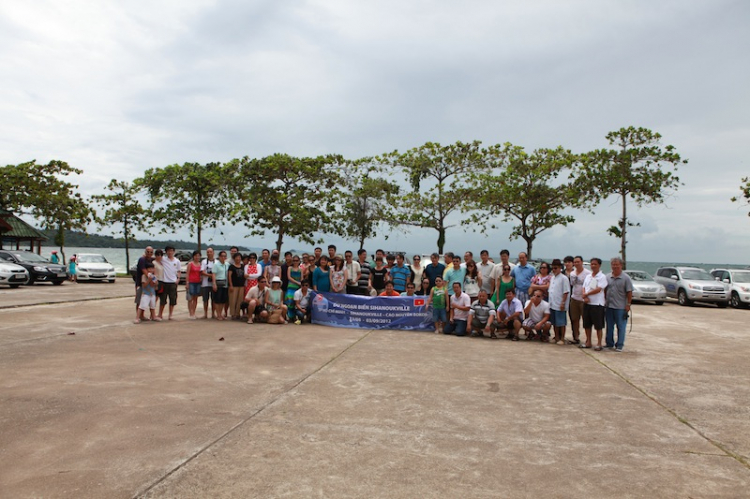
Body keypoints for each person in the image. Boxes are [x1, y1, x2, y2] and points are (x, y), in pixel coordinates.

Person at [605, 257, 633, 352]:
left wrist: (628, 304)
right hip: (609, 306)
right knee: (609, 326)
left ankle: (619, 345)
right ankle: (609, 344)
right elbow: (604, 290)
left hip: (620, 307)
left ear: (621, 265)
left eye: (617, 264)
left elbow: (629, 292)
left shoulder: (626, 278)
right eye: (613, 264)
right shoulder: (607, 277)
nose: (615, 266)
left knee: (621, 326)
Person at [582, 257, 608, 350]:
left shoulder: (602, 277)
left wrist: (587, 294)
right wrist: (584, 296)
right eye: (592, 264)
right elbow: (584, 287)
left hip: (597, 304)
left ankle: (599, 343)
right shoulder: (588, 276)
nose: (593, 266)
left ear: (599, 265)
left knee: (598, 325)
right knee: (587, 324)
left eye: (595, 264)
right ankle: (588, 341)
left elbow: (599, 289)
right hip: (587, 303)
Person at [568, 255, 591, 345]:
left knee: (585, 319)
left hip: (583, 299)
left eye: (578, 262)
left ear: (582, 262)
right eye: (575, 262)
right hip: (574, 298)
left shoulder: (588, 273)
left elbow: (591, 285)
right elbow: (572, 284)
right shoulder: (572, 273)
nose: (576, 263)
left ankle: (587, 339)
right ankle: (576, 337)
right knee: (574, 319)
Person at [548, 258, 571, 345]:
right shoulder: (552, 278)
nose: (554, 270)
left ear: (560, 268)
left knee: (561, 322)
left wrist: (563, 303)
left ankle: (562, 338)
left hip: (560, 303)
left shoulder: (564, 278)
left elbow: (566, 291)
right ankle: (556, 336)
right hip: (552, 303)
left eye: (556, 268)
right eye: (553, 268)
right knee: (554, 322)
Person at [158, 246, 181, 321]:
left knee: (172, 299)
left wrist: (178, 279)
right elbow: (155, 258)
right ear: (166, 252)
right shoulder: (163, 259)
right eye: (168, 251)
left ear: (174, 252)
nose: (170, 252)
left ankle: (170, 314)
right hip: (164, 282)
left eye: (171, 251)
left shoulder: (177, 261)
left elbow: (178, 271)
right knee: (163, 299)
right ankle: (160, 314)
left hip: (173, 282)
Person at [134, 247, 154, 320]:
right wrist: (150, 277)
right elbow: (144, 270)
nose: (149, 253)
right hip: (140, 282)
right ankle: (138, 316)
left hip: (148, 283)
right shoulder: (142, 259)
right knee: (139, 300)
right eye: (147, 251)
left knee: (145, 300)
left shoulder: (151, 259)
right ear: (145, 252)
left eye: (151, 252)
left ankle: (142, 315)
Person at [212, 250, 230, 320]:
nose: (223, 257)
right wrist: (214, 284)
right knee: (217, 299)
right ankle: (218, 314)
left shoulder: (227, 264)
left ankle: (221, 313)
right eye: (222, 256)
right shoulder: (216, 264)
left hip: (225, 284)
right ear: (219, 257)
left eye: (224, 256)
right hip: (218, 283)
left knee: (223, 300)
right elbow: (213, 274)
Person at [228, 252, 246, 320]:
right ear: (234, 258)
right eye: (236, 257)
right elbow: (229, 276)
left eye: (239, 257)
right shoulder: (231, 266)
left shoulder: (242, 266)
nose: (238, 259)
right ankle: (233, 314)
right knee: (233, 300)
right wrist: (231, 285)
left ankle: (237, 313)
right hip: (234, 286)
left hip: (241, 286)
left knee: (240, 300)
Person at [199, 248, 216, 319]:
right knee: (205, 299)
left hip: (213, 283)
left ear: (213, 253)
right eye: (208, 252)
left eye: (210, 252)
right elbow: (202, 271)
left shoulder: (217, 262)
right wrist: (210, 275)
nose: (209, 253)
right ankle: (205, 313)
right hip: (205, 283)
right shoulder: (204, 262)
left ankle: (213, 313)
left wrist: (213, 276)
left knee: (214, 299)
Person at [285, 255, 303, 320]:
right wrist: (297, 282)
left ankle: (295, 315)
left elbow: (302, 278)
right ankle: (290, 315)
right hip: (291, 286)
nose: (295, 262)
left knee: (296, 301)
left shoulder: (300, 269)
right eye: (294, 260)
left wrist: (301, 284)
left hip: (298, 287)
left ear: (299, 261)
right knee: (289, 300)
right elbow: (289, 277)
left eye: (297, 260)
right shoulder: (290, 268)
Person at [185, 250, 201, 320]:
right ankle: (190, 313)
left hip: (198, 282)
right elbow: (187, 274)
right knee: (190, 298)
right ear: (193, 256)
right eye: (196, 256)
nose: (197, 257)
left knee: (195, 298)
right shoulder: (190, 264)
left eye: (198, 256)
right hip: (191, 282)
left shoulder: (200, 264)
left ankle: (193, 312)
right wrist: (187, 283)